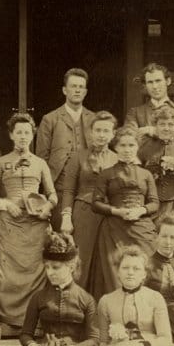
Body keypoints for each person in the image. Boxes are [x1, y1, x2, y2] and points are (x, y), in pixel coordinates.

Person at [0, 113, 59, 332]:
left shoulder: (40, 163)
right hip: (10, 224)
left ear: (33, 135)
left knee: (36, 271)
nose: (22, 136)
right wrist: (5, 203)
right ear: (11, 135)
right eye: (18, 132)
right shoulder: (1, 162)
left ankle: (33, 323)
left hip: (36, 225)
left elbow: (53, 195)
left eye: (27, 132)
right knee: (7, 272)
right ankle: (8, 322)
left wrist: (47, 207)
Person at [91, 126, 160, 297]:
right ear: (115, 147)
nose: (127, 150)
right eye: (123, 145)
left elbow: (154, 203)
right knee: (115, 274)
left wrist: (141, 210)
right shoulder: (106, 174)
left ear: (137, 147)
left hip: (141, 227)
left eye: (131, 145)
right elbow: (96, 204)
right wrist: (117, 211)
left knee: (147, 268)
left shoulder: (146, 174)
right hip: (114, 229)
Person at [58, 111, 118, 291]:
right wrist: (66, 217)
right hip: (84, 214)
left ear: (113, 134)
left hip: (108, 216)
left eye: (106, 131)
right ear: (91, 132)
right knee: (81, 260)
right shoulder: (78, 156)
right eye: (97, 130)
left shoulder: (117, 158)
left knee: (105, 262)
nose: (101, 135)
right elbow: (68, 190)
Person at [36, 68, 95, 229]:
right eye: (73, 86)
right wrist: (48, 188)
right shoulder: (50, 119)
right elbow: (42, 158)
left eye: (81, 87)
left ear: (85, 92)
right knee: (60, 233)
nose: (77, 90)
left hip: (86, 188)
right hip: (59, 186)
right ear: (64, 90)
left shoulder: (94, 119)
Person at [138, 106, 174, 225]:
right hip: (149, 205)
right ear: (155, 126)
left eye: (171, 124)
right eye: (162, 124)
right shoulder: (144, 151)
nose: (166, 128)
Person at [124, 62, 174, 149]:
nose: (154, 86)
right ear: (145, 85)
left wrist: (150, 130)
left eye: (158, 81)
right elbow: (129, 138)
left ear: (168, 81)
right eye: (150, 82)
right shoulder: (135, 113)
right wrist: (169, 133)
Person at [145, 212, 174, 305]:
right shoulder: (145, 265)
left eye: (173, 237)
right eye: (164, 236)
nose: (168, 242)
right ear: (157, 236)